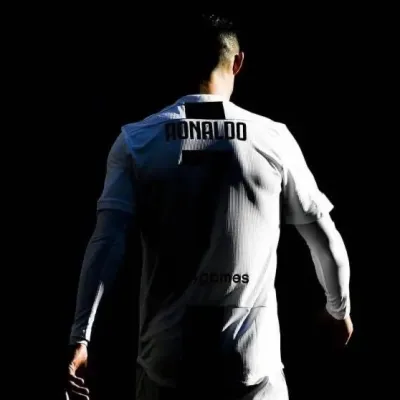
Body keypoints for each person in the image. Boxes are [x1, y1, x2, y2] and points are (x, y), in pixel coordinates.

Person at [66, 13, 353, 400]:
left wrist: (81, 336)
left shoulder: (137, 141)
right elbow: (325, 240)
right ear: (238, 63)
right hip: (253, 364)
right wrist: (339, 310)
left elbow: (106, 244)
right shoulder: (274, 139)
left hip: (168, 361)